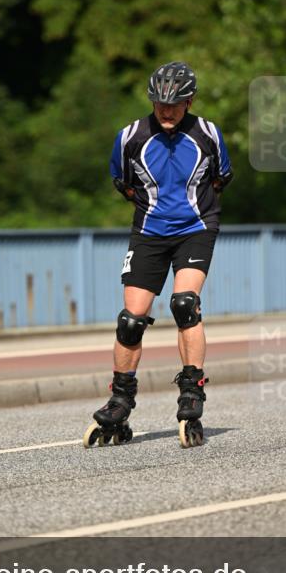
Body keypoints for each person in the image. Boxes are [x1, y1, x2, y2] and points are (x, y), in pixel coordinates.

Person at [82, 61, 233, 448]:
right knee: (130, 320)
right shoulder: (130, 136)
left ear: (190, 101)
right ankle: (120, 401)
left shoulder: (208, 134)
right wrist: (158, 211)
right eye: (159, 104)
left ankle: (191, 392)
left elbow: (220, 180)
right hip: (148, 232)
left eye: (176, 104)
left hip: (196, 230)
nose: (167, 111)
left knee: (184, 304)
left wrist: (186, 211)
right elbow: (125, 185)